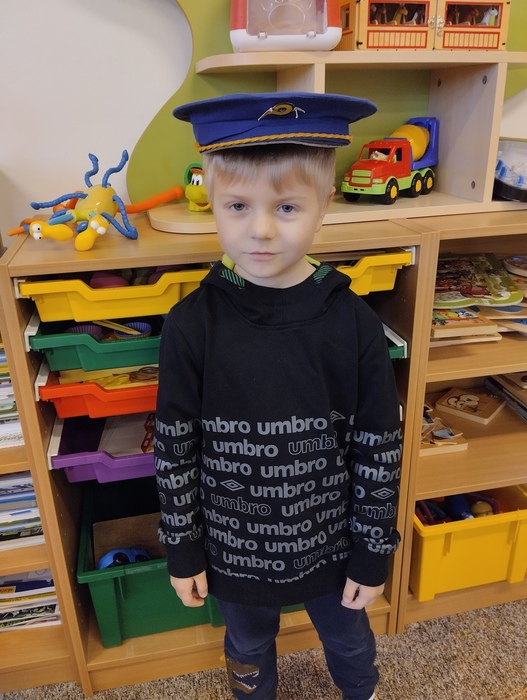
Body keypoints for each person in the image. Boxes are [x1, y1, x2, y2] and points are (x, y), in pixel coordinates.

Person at [154, 92, 402, 700]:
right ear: (212, 201)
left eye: (287, 206)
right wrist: (184, 550)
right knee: (245, 647)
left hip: (333, 546)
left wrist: (373, 555)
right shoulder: (190, 325)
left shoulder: (354, 323)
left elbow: (379, 448)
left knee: (350, 643)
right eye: (238, 206)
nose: (261, 230)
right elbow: (175, 450)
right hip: (232, 551)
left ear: (325, 204)